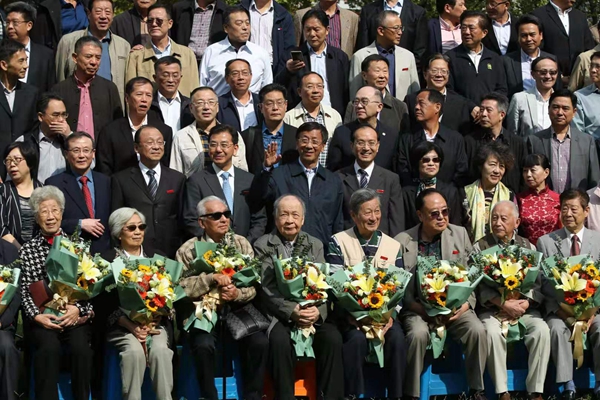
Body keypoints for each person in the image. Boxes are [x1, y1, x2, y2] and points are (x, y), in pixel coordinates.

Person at [395, 189, 487, 400]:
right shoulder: (403, 241)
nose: (442, 217)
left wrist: (465, 306)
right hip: (418, 308)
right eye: (434, 214)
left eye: (445, 212)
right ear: (420, 215)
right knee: (417, 334)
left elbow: (473, 277)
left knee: (476, 330)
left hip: (456, 308)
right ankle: (411, 394)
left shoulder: (459, 234)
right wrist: (421, 310)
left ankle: (477, 390)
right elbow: (400, 288)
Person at [177, 196, 268, 400]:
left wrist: (237, 293)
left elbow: (254, 285)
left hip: (237, 309)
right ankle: (209, 396)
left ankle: (252, 396)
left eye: (226, 214)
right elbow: (180, 287)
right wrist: (210, 279)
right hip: (203, 310)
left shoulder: (241, 243)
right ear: (202, 222)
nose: (224, 219)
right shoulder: (188, 249)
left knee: (259, 342)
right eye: (216, 216)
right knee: (203, 345)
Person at [255, 194, 344, 400]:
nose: (290, 220)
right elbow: (267, 288)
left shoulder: (315, 244)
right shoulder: (263, 244)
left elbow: (323, 283)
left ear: (303, 219)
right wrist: (292, 310)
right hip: (279, 314)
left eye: (295, 215)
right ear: (275, 218)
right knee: (279, 341)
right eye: (284, 215)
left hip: (311, 311)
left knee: (333, 338)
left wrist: (317, 311)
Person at [326, 188, 406, 398]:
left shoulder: (393, 245)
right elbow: (335, 286)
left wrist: (391, 316)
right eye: (367, 212)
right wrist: (353, 316)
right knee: (355, 340)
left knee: (397, 339)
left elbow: (400, 288)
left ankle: (397, 395)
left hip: (385, 317)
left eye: (377, 211)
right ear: (353, 215)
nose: (373, 217)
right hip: (351, 318)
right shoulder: (338, 241)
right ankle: (353, 395)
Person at [19, 186, 93, 400]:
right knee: (48, 348)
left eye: (54, 210)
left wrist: (77, 309)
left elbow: (90, 284)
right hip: (44, 317)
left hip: (73, 316)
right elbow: (25, 289)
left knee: (81, 349)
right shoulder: (28, 250)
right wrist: (36, 316)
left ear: (62, 213)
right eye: (44, 211)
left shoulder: (79, 245)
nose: (50, 216)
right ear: (37, 217)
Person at [474, 201, 548, 400]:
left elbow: (538, 284)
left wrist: (526, 302)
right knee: (491, 332)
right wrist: (502, 303)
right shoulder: (479, 247)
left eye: (503, 219)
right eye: (494, 218)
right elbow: (477, 285)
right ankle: (502, 392)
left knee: (541, 330)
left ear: (517, 222)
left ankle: (535, 391)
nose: (497, 223)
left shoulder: (528, 246)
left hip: (524, 309)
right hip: (492, 309)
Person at [104, 207, 174, 400]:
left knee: (160, 351)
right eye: (131, 228)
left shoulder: (158, 257)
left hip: (155, 325)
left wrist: (158, 315)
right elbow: (103, 304)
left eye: (141, 227)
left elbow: (171, 294)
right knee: (134, 353)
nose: (137, 232)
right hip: (122, 326)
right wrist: (130, 325)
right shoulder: (107, 260)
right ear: (118, 233)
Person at [537, 189, 600, 400]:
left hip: (593, 311)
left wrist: (592, 312)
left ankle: (599, 383)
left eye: (573, 209)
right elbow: (544, 285)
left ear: (586, 211)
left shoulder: (598, 240)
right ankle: (567, 384)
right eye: (564, 209)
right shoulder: (546, 242)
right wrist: (562, 312)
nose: (568, 214)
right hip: (559, 310)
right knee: (556, 329)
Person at [248, 121, 344, 245]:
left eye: (315, 141)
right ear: (297, 144)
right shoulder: (279, 175)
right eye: (304, 140)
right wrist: (266, 168)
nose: (309, 146)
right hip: (283, 248)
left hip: (320, 250)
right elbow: (257, 198)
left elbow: (338, 222)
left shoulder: (333, 181)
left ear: (323, 146)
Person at [183, 124, 266, 243]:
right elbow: (191, 219)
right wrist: (215, 245)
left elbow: (259, 218)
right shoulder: (196, 181)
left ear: (235, 149)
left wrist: (245, 244)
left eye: (224, 145)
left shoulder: (249, 180)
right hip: (211, 250)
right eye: (213, 145)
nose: (218, 150)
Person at [111, 125, 185, 258]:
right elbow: (117, 219)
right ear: (136, 148)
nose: (156, 147)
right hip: (137, 251)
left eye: (160, 142)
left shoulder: (177, 179)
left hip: (170, 249)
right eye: (150, 142)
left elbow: (181, 217)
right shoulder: (121, 179)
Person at [46, 132, 111, 254]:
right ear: (66, 154)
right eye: (76, 151)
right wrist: (79, 224)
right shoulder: (54, 183)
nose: (82, 155)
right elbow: (49, 221)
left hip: (104, 251)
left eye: (86, 150)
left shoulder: (106, 181)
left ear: (93, 153)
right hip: (71, 251)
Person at [54, 0, 131, 104]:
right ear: (89, 14)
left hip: (111, 107)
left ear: (113, 15)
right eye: (98, 11)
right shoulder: (68, 41)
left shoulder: (124, 46)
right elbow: (60, 78)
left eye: (108, 12)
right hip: (76, 106)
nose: (103, 16)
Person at [276, 9, 349, 117]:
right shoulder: (290, 55)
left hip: (331, 116)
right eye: (308, 29)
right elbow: (277, 86)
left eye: (316, 29)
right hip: (300, 116)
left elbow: (345, 91)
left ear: (327, 30)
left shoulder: (340, 57)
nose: (312, 34)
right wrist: (288, 71)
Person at [336, 125, 404, 237]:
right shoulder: (338, 177)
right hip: (348, 241)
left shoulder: (391, 179)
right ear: (352, 146)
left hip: (380, 242)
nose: (366, 148)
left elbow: (396, 221)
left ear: (378, 146)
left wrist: (395, 245)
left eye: (371, 143)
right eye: (360, 143)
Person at [96, 77, 173, 176]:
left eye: (148, 95)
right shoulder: (110, 131)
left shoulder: (163, 130)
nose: (144, 99)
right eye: (139, 94)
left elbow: (166, 166)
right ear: (127, 98)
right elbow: (104, 169)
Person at [527, 89, 600, 192]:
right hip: (544, 200)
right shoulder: (534, 140)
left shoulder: (587, 141)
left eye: (565, 108)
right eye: (555, 107)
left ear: (574, 112)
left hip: (577, 200)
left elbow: (594, 180)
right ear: (548, 109)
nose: (560, 113)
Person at [51, 36, 123, 139]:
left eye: (98, 58)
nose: (94, 62)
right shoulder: (60, 89)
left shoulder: (109, 88)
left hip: (101, 147)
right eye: (88, 56)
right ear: (75, 58)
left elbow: (118, 124)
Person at [397, 88, 468, 187]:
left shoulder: (455, 139)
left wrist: (445, 191)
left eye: (421, 103)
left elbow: (461, 171)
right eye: (416, 104)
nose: (416, 107)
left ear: (437, 107)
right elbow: (403, 170)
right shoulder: (407, 139)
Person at [171, 86, 248, 177]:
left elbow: (242, 170)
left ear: (217, 107)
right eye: (200, 103)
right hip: (195, 185)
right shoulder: (181, 136)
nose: (206, 107)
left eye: (211, 102)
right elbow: (175, 174)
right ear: (191, 108)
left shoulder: (232, 134)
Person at [126, 3, 199, 98]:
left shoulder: (187, 54)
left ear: (170, 23)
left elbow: (195, 89)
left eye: (159, 21)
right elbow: (130, 93)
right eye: (150, 21)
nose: (154, 24)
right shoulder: (136, 57)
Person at [200, 5, 272, 96]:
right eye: (239, 23)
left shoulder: (260, 53)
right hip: (218, 103)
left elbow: (267, 88)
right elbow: (202, 85)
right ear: (226, 28)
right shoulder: (211, 51)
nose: (245, 27)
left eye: (247, 23)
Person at [350, 10, 420, 102]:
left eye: (401, 28)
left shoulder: (408, 56)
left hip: (402, 109)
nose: (400, 32)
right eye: (396, 28)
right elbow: (355, 93)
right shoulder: (360, 56)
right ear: (381, 31)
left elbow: (415, 91)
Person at [465, 92, 526, 193]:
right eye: (481, 110)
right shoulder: (470, 141)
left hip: (509, 198)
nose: (483, 114)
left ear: (502, 115)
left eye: (489, 110)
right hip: (477, 197)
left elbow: (523, 176)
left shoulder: (517, 143)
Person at [327, 86, 398, 172]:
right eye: (356, 102)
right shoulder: (342, 133)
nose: (359, 106)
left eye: (364, 101)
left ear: (379, 107)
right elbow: (333, 170)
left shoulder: (391, 135)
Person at [405, 53, 476, 135]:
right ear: (425, 74)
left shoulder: (460, 103)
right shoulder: (411, 100)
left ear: (448, 75)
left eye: (443, 71)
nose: (439, 75)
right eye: (434, 70)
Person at [446, 11, 508, 104]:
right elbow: (449, 90)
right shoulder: (450, 58)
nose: (466, 32)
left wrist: (488, 107)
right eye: (463, 28)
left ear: (484, 33)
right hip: (461, 111)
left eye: (471, 28)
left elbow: (502, 89)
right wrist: (471, 107)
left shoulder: (494, 58)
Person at [283, 72, 342, 168]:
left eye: (319, 86)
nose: (315, 91)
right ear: (299, 91)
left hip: (328, 171)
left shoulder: (334, 115)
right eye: (310, 87)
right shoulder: (288, 117)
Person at [343, 54, 410, 136]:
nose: (382, 76)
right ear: (364, 75)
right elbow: (346, 133)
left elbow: (405, 138)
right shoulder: (353, 106)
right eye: (377, 71)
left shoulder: (400, 106)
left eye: (385, 71)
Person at [402, 141, 463, 229]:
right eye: (426, 160)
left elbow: (455, 223)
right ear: (417, 162)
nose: (431, 163)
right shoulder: (406, 193)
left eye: (436, 160)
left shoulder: (450, 191)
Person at [532, 0, 596, 83]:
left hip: (580, 81)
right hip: (550, 80)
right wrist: (557, 76)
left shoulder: (580, 16)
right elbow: (537, 50)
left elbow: (589, 48)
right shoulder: (538, 15)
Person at [0, 39, 38, 178]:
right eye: (21, 61)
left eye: (26, 60)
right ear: (4, 65)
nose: (26, 66)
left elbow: (34, 130)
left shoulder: (31, 93)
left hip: (24, 168)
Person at [464, 141, 516, 243]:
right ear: (481, 166)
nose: (497, 171)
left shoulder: (509, 195)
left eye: (501, 166)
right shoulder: (465, 193)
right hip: (470, 247)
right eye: (492, 165)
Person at [241, 83, 298, 174]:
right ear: (261, 107)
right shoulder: (248, 136)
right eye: (269, 103)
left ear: (286, 105)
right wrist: (266, 167)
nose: (275, 108)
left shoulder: (297, 134)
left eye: (279, 103)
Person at [503, 14, 561, 99]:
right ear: (518, 37)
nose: (528, 39)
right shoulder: (506, 61)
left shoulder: (551, 59)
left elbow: (558, 89)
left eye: (532, 34)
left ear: (540, 35)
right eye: (524, 35)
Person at [355, 0, 428, 65]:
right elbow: (363, 42)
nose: (399, 32)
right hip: (374, 69)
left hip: (404, 68)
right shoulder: (368, 11)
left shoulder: (417, 12)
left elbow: (420, 48)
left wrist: (408, 68)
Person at [5, 2, 56, 92]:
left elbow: (50, 88)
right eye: (8, 22)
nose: (10, 27)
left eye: (15, 23)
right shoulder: (2, 52)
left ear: (29, 25)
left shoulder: (46, 55)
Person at [0, 141, 42, 249]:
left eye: (17, 159)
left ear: (30, 162)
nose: (12, 164)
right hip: (9, 251)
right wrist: (22, 251)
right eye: (8, 160)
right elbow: (1, 228)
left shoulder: (43, 190)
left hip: (40, 251)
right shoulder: (3, 191)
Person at [19, 93, 69, 183]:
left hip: (64, 191)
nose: (61, 120)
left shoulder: (69, 140)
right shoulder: (25, 142)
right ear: (41, 117)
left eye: (64, 114)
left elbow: (90, 165)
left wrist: (69, 137)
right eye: (56, 115)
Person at [239, 0, 295, 77]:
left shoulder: (283, 15)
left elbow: (289, 47)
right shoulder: (240, 10)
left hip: (273, 68)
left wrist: (280, 72)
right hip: (243, 66)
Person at [507, 56, 559, 137]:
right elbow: (512, 133)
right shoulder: (520, 98)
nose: (548, 76)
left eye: (552, 72)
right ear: (533, 74)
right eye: (543, 72)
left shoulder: (561, 100)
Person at [517, 154, 561, 246]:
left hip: (554, 249)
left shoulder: (558, 199)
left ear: (546, 172)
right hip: (528, 250)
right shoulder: (519, 199)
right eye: (525, 171)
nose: (528, 175)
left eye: (533, 170)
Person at [293, 0, 359, 58]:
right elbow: (295, 47)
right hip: (310, 65)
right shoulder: (301, 15)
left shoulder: (352, 18)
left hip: (341, 66)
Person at [150, 56, 194, 133]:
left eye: (175, 75)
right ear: (155, 78)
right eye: (165, 75)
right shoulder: (149, 104)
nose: (171, 80)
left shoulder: (189, 105)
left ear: (180, 77)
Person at [216, 59, 260, 133]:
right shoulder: (219, 104)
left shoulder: (261, 101)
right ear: (227, 79)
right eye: (235, 74)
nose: (241, 77)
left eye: (245, 73)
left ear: (251, 76)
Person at [0, 236, 20, 400]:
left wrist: (3, 321)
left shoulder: (10, 251)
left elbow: (16, 294)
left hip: (1, 324)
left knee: (6, 347)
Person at [573, 51, 600, 140]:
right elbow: (577, 132)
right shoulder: (580, 96)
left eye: (598, 67)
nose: (593, 70)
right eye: (591, 66)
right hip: (592, 146)